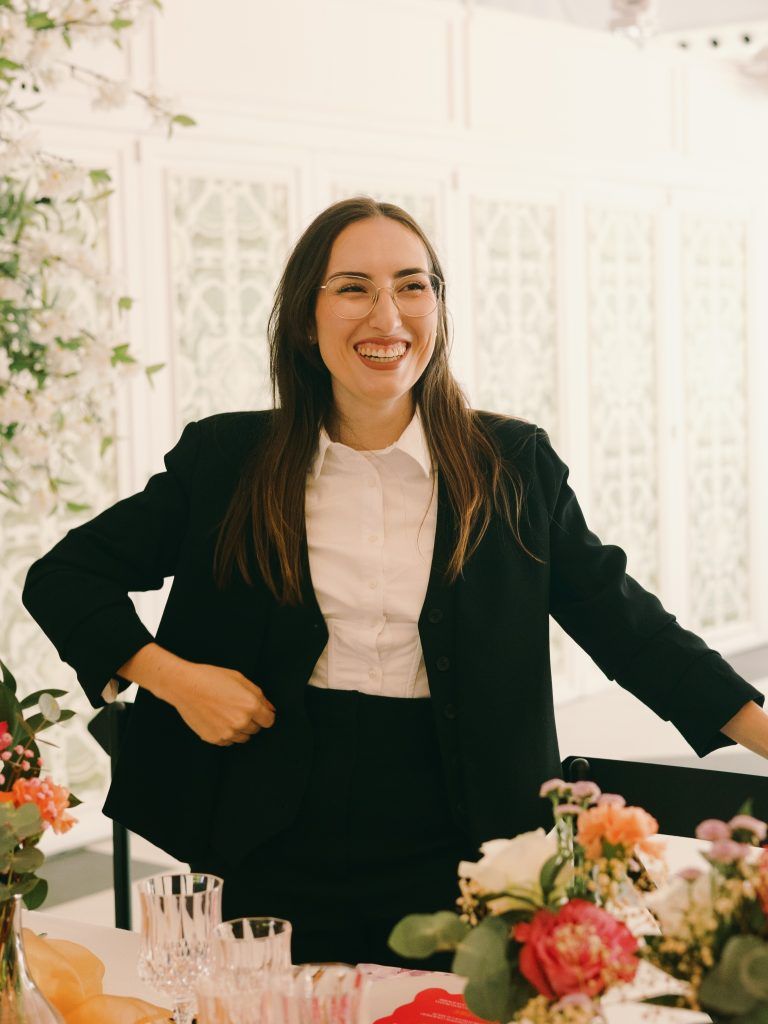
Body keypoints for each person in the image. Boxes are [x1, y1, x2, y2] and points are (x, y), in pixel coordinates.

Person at [21, 196, 768, 966]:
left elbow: (629, 628)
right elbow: (66, 577)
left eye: (413, 286)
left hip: (465, 832)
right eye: (353, 288)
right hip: (266, 822)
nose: (388, 315)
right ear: (305, 319)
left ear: (438, 307)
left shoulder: (513, 466)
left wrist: (763, 734)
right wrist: (177, 681)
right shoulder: (227, 461)